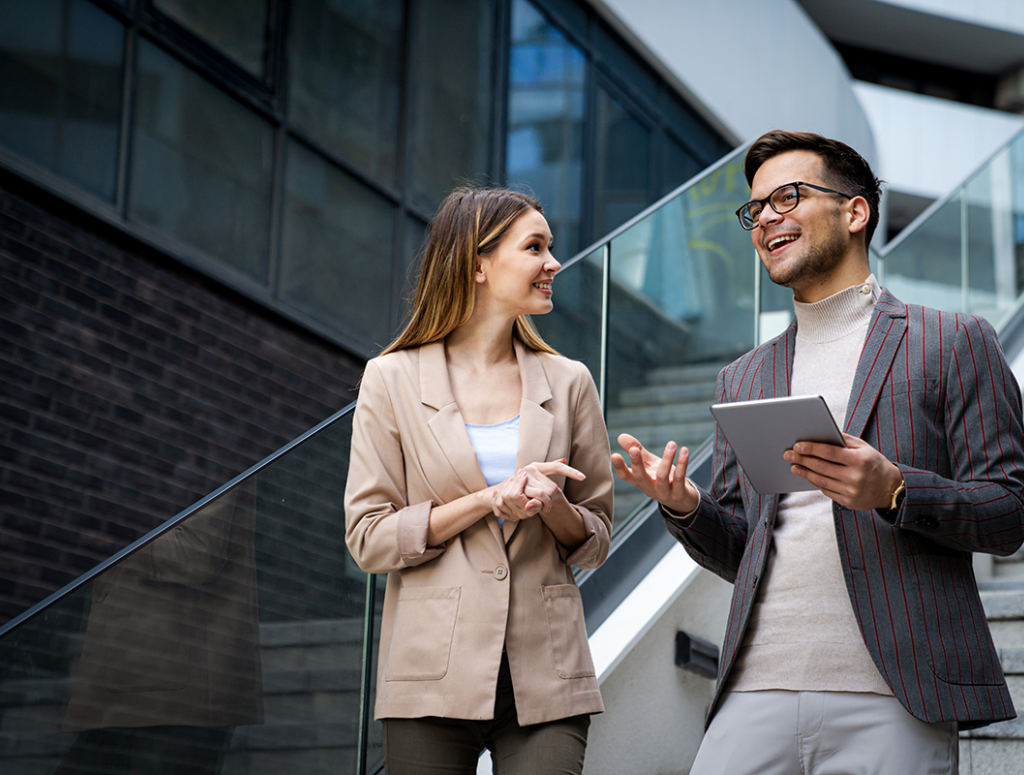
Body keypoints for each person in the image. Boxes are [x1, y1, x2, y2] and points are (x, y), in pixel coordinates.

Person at [612, 130, 1024, 775]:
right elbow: (740, 549)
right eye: (756, 209)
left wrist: (895, 490)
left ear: (854, 212)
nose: (767, 217)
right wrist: (686, 507)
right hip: (753, 687)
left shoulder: (953, 342)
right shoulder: (742, 377)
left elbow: (1009, 512)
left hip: (895, 695)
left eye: (788, 196)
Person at [345, 186, 613, 775]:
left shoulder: (570, 382)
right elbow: (368, 539)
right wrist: (489, 499)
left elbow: (596, 538)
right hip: (429, 669)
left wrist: (551, 506)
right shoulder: (390, 379)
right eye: (535, 247)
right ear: (478, 264)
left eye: (551, 246)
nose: (553, 264)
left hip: (546, 669)